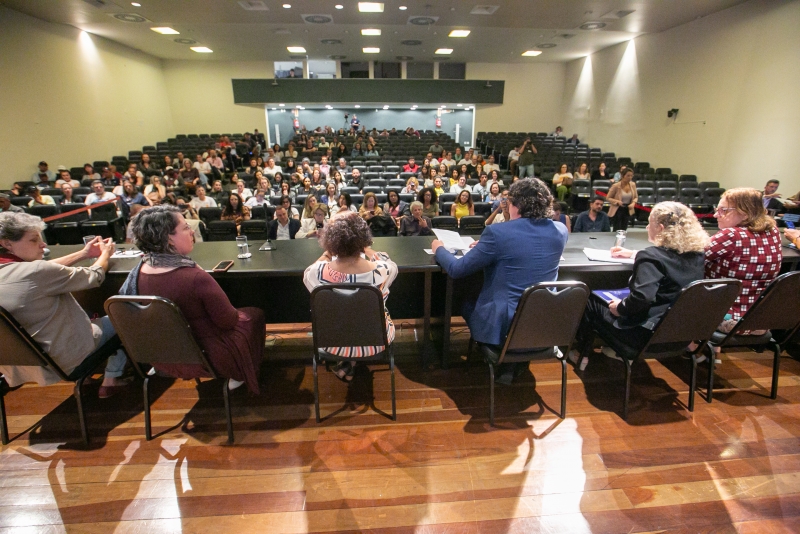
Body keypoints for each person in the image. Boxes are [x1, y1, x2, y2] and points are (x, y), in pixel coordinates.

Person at [433, 179, 568, 384]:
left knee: (464, 301)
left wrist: (438, 248)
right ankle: (516, 364)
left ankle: (503, 360)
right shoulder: (560, 230)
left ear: (516, 205)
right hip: (542, 324)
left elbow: (456, 269)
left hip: (504, 329)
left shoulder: (498, 233)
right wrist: (487, 247)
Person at [123, 205, 265, 394]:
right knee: (255, 314)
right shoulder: (194, 277)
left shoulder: (136, 273)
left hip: (161, 355)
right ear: (168, 238)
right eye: (185, 228)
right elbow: (228, 320)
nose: (192, 231)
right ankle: (240, 373)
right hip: (206, 357)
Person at [0, 213, 128, 395]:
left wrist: (83, 253)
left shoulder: (20, 271)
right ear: (7, 244)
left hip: (19, 366)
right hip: (64, 361)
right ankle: (111, 379)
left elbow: (41, 271)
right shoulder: (36, 272)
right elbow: (95, 275)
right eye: (34, 240)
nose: (43, 245)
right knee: (124, 316)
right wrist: (105, 254)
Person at [574, 202, 708, 365]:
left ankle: (581, 355)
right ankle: (610, 349)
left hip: (644, 336)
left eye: (649, 224)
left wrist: (620, 308)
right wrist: (634, 254)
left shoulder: (651, 256)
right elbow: (671, 259)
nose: (646, 228)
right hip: (680, 336)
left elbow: (642, 298)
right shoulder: (697, 255)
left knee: (591, 300)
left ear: (660, 228)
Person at [303, 212, 397, 381]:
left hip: (332, 343)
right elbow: (389, 263)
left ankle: (347, 362)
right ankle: (350, 362)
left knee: (342, 317)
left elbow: (310, 269)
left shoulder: (317, 273)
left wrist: (328, 253)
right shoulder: (382, 271)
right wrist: (368, 249)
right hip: (375, 342)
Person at [705, 188, 782, 334]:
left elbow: (693, 258)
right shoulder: (773, 231)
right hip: (760, 319)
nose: (716, 215)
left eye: (723, 210)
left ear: (745, 212)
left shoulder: (731, 235)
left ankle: (694, 351)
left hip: (727, 318)